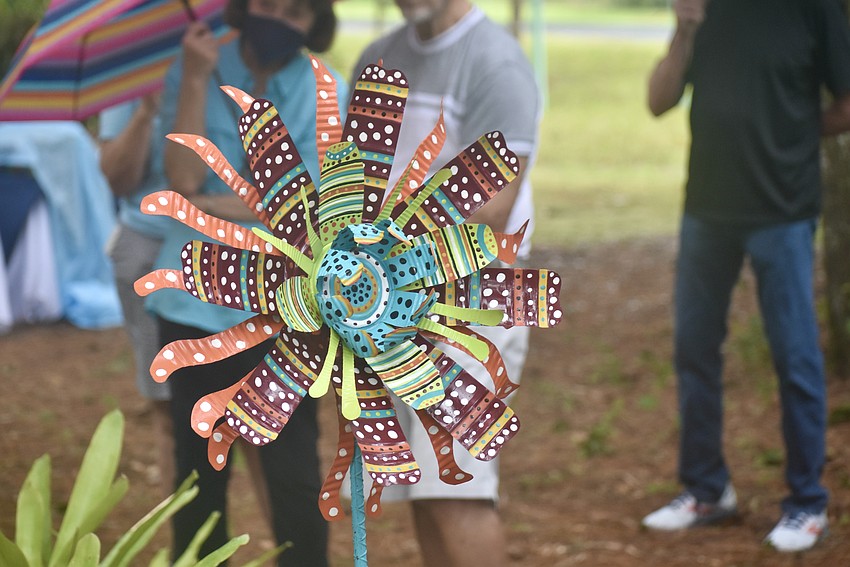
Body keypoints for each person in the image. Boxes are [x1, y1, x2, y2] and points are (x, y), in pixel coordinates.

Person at [641, 0, 850, 553]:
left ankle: (807, 504)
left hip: (783, 212)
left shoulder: (816, 9)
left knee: (795, 357)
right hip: (707, 211)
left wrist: (794, 136)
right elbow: (657, 101)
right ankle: (707, 490)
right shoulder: (703, 8)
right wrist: (684, 31)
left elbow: (848, 99)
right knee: (694, 350)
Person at [144, 0, 348, 563]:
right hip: (194, 307)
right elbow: (182, 181)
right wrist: (196, 75)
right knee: (198, 476)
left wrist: (213, 207)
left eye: (297, 13)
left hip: (286, 314)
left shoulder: (323, 85)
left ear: (316, 25)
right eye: (268, 4)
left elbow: (310, 208)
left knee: (295, 477)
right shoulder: (194, 65)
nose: (279, 18)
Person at [350, 0, 541, 565]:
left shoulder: (496, 64)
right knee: (423, 494)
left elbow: (494, 209)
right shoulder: (377, 58)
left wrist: (381, 216)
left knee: (456, 488)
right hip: (386, 309)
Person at [99, 92, 175, 493]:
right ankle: (193, 549)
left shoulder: (246, 60)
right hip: (146, 253)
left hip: (234, 252)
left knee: (255, 426)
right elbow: (116, 178)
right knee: (169, 412)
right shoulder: (133, 79)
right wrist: (147, 109)